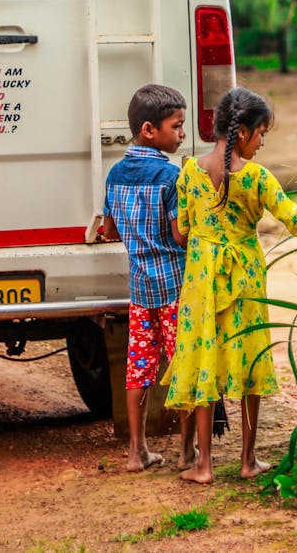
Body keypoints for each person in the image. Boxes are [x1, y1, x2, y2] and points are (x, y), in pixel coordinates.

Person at [162, 86, 297, 484]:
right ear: (243, 132)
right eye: (262, 132)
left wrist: (202, 237)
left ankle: (204, 466)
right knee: (249, 360)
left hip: (200, 280)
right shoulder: (258, 179)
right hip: (245, 278)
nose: (263, 142)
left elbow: (180, 235)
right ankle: (247, 461)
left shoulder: (189, 171)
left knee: (203, 362)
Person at [102, 83, 196, 473]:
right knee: (182, 366)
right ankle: (188, 452)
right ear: (149, 130)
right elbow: (179, 236)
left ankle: (136, 452)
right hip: (174, 287)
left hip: (140, 288)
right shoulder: (171, 177)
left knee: (139, 365)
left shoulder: (115, 174)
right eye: (177, 126)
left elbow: (109, 230)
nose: (182, 133)